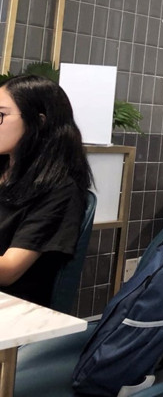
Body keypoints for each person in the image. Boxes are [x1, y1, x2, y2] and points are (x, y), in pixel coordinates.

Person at [0, 75, 91, 306]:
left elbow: (8, 270)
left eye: (0, 115)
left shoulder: (60, 190)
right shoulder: (4, 169)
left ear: (38, 122)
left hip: (15, 309)